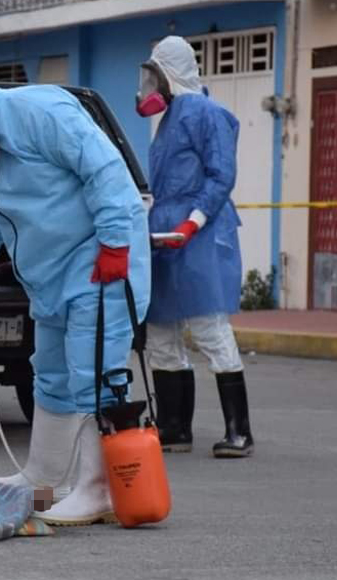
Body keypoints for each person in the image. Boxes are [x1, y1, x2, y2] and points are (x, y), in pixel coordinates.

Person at [0, 68, 151, 526]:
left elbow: (103, 168)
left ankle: (98, 488)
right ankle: (44, 480)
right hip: (52, 280)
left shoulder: (37, 112)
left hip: (99, 264)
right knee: (52, 374)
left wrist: (116, 242)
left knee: (95, 374)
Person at [136, 36, 254, 459]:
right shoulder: (168, 120)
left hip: (200, 233)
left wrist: (194, 220)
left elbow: (221, 175)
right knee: (162, 332)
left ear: (172, 72)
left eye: (156, 73)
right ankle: (174, 427)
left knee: (208, 327)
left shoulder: (205, 112)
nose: (150, 83)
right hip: (167, 236)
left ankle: (239, 430)